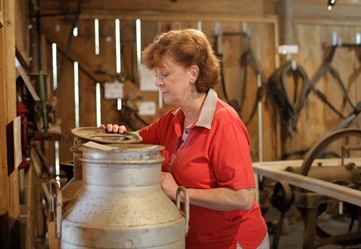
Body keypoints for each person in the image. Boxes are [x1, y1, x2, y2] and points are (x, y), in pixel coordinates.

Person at [101, 28, 269, 249]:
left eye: (165, 74)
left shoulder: (224, 123)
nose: (158, 82)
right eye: (156, 75)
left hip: (232, 243)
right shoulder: (174, 119)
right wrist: (114, 134)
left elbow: (243, 198)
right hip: (191, 241)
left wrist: (179, 192)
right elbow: (133, 140)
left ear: (192, 73)